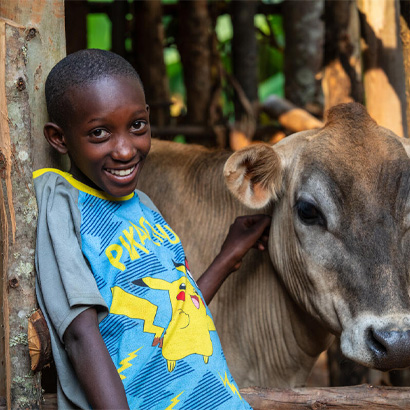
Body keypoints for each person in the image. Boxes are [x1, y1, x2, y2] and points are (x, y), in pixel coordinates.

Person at [34, 49, 271, 410]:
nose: (126, 150)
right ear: (59, 138)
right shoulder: (61, 204)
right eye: (99, 133)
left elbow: (179, 314)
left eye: (137, 126)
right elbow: (81, 336)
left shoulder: (143, 205)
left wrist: (229, 256)